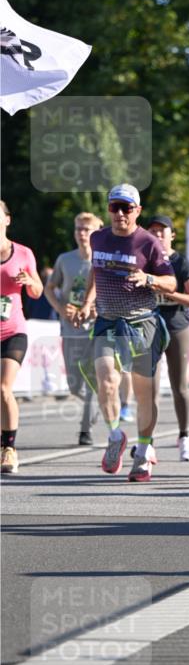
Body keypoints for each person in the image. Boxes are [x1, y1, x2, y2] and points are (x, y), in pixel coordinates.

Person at [76, 184, 176, 482]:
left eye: (126, 208)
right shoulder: (98, 237)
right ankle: (116, 435)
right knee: (105, 379)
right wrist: (87, 302)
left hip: (141, 322)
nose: (119, 213)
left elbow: (171, 283)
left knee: (146, 394)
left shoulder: (148, 243)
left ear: (137, 211)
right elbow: (96, 269)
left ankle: (143, 452)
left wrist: (148, 278)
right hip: (107, 320)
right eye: (114, 207)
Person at [44, 212, 103, 446]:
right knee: (74, 384)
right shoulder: (65, 260)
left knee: (90, 379)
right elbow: (50, 287)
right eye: (78, 229)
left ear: (96, 233)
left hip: (96, 326)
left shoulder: (103, 261)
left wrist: (98, 309)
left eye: (86, 229)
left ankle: (85, 430)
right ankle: (98, 401)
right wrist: (60, 307)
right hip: (71, 326)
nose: (81, 233)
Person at [146, 215, 189, 461]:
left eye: (162, 231)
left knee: (180, 386)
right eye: (153, 231)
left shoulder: (181, 262)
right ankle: (148, 442)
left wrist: (167, 290)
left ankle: (184, 436)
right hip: (149, 327)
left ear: (172, 235)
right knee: (150, 388)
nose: (157, 235)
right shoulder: (143, 261)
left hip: (177, 327)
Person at [0, 200, 43, 473]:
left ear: (6, 219)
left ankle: (10, 449)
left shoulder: (23, 253)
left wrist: (30, 282)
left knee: (3, 388)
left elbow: (37, 291)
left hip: (13, 331)